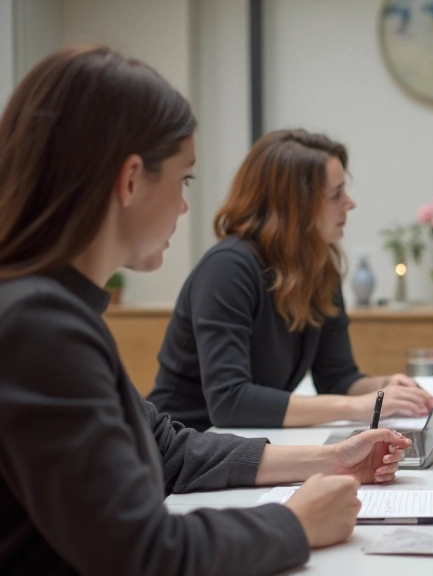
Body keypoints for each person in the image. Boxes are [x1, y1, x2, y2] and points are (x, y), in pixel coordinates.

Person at [0, 46, 411, 575]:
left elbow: (170, 450)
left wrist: (331, 459)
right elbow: (140, 552)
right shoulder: (38, 325)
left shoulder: (54, 311)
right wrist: (295, 523)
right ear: (129, 180)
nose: (185, 205)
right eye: (184, 179)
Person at [147, 129, 433, 430]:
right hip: (181, 449)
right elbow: (230, 403)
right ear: (294, 205)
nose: (350, 203)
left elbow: (336, 377)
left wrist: (386, 387)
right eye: (336, 194)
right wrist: (359, 406)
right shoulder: (227, 269)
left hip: (239, 446)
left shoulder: (320, 268)